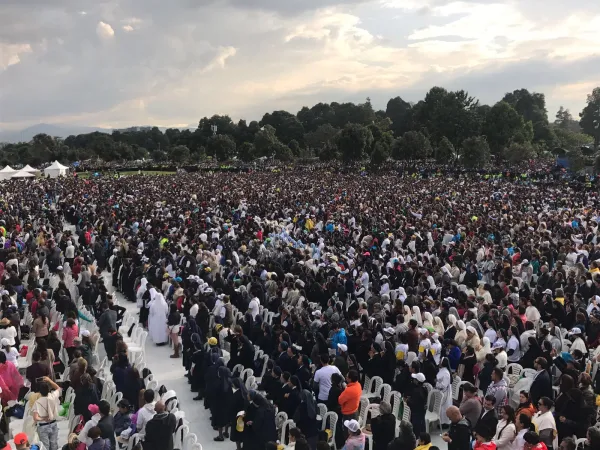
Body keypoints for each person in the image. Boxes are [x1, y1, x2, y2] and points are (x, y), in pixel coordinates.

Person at [32, 376, 62, 450]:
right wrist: (50, 380)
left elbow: (35, 418)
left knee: (45, 446)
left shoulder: (37, 402)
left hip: (43, 426)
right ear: (49, 390)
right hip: (53, 423)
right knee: (54, 444)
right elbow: (58, 388)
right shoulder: (53, 396)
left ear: (39, 391)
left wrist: (43, 418)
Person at [213, 366, 234, 442]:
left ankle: (220, 435)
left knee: (219, 421)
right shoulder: (229, 381)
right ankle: (226, 432)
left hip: (219, 405)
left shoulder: (218, 382)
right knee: (227, 419)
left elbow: (214, 394)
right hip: (228, 404)